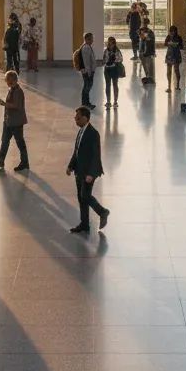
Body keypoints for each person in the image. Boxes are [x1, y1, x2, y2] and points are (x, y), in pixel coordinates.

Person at [67, 106, 109, 234]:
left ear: (85, 118)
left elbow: (96, 155)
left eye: (78, 118)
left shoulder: (93, 134)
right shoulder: (81, 131)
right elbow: (77, 151)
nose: (76, 120)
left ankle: (103, 212)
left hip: (88, 172)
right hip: (79, 170)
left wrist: (91, 174)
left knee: (85, 195)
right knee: (81, 198)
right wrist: (70, 166)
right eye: (75, 118)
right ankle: (84, 224)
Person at [0, 70, 29, 171]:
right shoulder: (11, 89)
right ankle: (0, 161)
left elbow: (16, 105)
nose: (7, 83)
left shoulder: (18, 91)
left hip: (16, 122)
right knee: (4, 142)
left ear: (14, 80)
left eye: (9, 81)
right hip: (8, 121)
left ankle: (24, 162)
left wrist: (4, 104)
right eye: (7, 81)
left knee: (20, 143)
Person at [102, 35, 124, 108]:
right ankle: (108, 101)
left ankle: (115, 101)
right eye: (109, 43)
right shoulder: (106, 51)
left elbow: (121, 59)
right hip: (107, 69)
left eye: (112, 43)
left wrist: (114, 60)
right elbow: (104, 60)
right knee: (107, 85)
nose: (110, 44)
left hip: (114, 69)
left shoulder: (117, 51)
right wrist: (106, 61)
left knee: (115, 85)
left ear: (114, 43)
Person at [77, 32, 97, 109]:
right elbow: (86, 62)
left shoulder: (87, 46)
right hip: (87, 71)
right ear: (87, 39)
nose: (92, 40)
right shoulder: (86, 48)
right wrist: (89, 72)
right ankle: (85, 103)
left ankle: (86, 102)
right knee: (87, 87)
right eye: (91, 39)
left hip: (87, 71)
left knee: (87, 87)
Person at [163, 25, 185, 92]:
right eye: (171, 31)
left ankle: (177, 86)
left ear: (176, 31)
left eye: (173, 31)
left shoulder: (178, 37)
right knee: (168, 71)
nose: (172, 32)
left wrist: (176, 44)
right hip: (170, 55)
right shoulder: (168, 36)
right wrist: (169, 43)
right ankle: (169, 87)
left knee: (176, 70)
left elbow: (182, 46)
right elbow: (165, 44)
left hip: (176, 55)